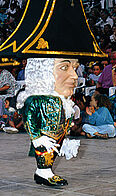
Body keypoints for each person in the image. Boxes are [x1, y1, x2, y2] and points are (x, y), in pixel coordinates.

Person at [18, 58, 80, 186]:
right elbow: (29, 118)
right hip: (44, 137)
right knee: (45, 149)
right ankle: (43, 171)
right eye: (64, 67)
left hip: (56, 136)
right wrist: (36, 138)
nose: (75, 76)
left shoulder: (63, 101)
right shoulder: (36, 100)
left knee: (54, 148)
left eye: (75, 68)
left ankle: (45, 171)